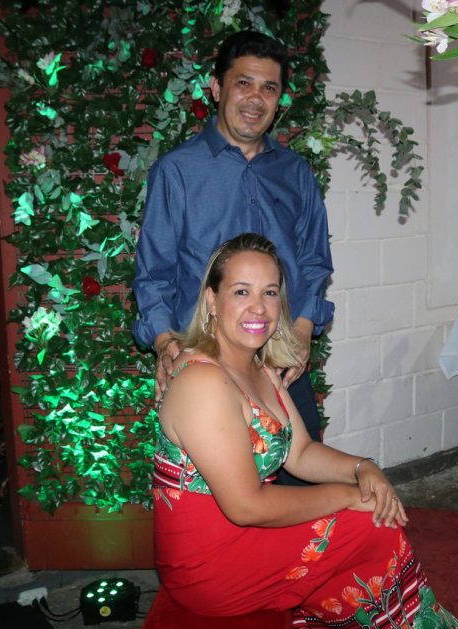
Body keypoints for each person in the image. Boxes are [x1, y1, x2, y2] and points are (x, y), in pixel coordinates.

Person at [152, 233, 458, 629]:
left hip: (244, 537)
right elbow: (246, 506)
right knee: (368, 526)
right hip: (208, 567)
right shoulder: (203, 382)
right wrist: (347, 496)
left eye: (270, 292)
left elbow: (301, 452)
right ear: (212, 301)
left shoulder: (259, 368)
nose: (259, 307)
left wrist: (362, 469)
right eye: (241, 291)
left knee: (369, 524)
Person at [133, 30, 333, 479]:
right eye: (243, 83)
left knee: (301, 485)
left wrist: (302, 331)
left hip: (281, 362)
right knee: (228, 500)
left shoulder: (295, 172)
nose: (256, 98)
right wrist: (165, 344)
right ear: (216, 87)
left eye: (269, 87)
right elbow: (154, 273)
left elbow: (314, 261)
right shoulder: (177, 171)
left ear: (279, 98)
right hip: (207, 364)